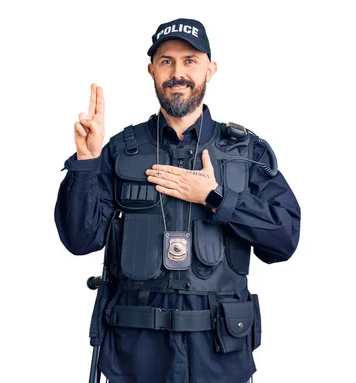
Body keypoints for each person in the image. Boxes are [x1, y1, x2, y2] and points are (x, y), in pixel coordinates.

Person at [54, 18, 301, 383]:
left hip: (218, 358)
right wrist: (87, 164)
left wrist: (215, 198)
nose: (178, 72)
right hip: (137, 357)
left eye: (190, 61)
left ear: (210, 70)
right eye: (167, 61)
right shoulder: (122, 149)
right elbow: (80, 240)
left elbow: (284, 239)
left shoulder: (246, 152)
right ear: (152, 70)